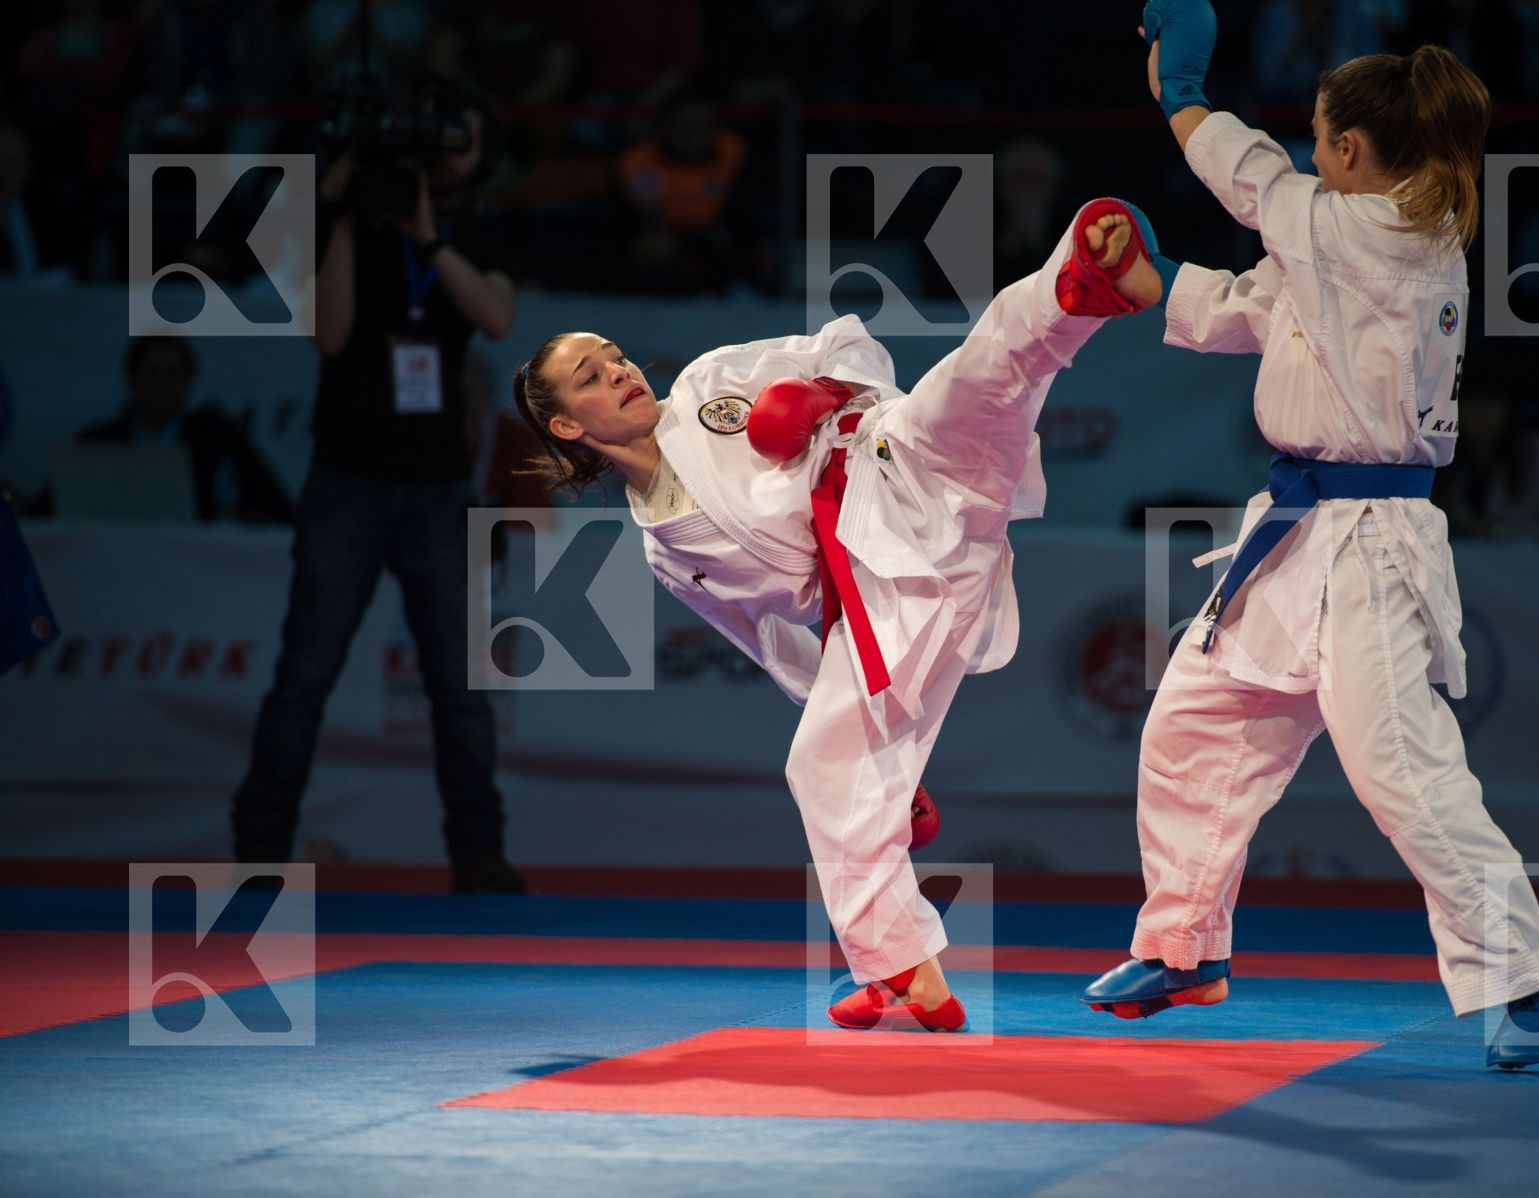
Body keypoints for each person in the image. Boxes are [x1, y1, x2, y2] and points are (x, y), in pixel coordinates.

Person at [1082, 0, 1539, 1070]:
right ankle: (1183, 945)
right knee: (1191, 726)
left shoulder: (1387, 231)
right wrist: (1139, 278)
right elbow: (1250, 307)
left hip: (1369, 542)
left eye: (1319, 139)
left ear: (1350, 149)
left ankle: (1533, 980)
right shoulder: (1351, 245)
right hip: (1299, 532)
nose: (1310, 156)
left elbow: (1256, 182)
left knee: (1402, 772)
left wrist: (1182, 95)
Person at [510, 199, 1166, 1031]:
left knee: (980, 376)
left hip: (894, 472)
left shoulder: (710, 383)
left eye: (615, 355)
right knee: (823, 769)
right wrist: (891, 757)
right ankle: (906, 969)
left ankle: (1082, 278)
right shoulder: (666, 553)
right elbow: (779, 645)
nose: (621, 371)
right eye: (593, 377)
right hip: (892, 598)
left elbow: (846, 341)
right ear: (569, 425)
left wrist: (821, 392)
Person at [230, 78, 527, 893]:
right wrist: (341, 209)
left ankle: (479, 854)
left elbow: (497, 318)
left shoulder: (475, 232)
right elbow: (329, 335)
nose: (446, 153)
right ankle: (258, 851)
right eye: (438, 138)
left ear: (484, 154)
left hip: (436, 488)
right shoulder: (350, 223)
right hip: (348, 481)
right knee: (305, 674)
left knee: (459, 688)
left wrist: (428, 239)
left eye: (463, 139)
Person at [78, 336, 294, 524]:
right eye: (153, 375)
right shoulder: (98, 444)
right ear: (132, 378)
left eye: (173, 374)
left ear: (190, 379)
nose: (164, 385)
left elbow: (277, 506)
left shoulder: (218, 440)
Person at [1433, 387, 1539, 541]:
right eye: (1472, 401)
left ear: (1507, 406)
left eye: (1491, 400)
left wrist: (1512, 538)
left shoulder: (1537, 454)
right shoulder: (1437, 455)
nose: (1481, 411)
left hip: (1521, 561)